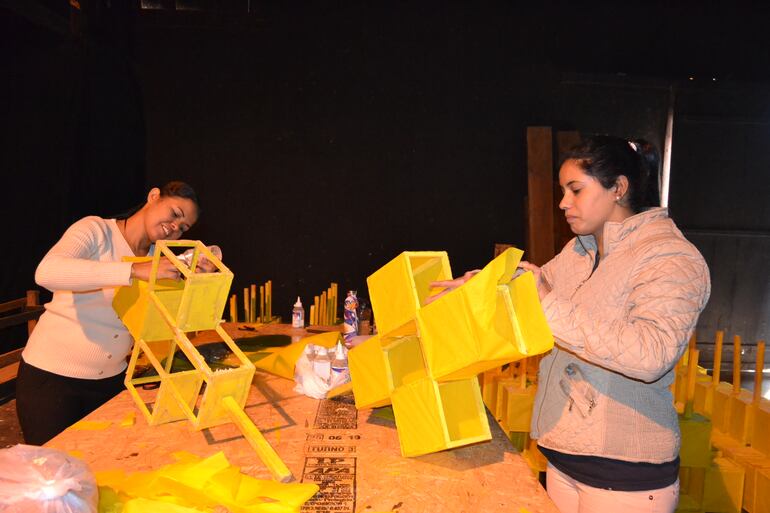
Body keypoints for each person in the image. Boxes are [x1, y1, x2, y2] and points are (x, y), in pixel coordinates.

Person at [433, 136, 710, 513]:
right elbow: (529, 296)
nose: (563, 202)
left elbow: (652, 354)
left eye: (576, 190)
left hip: (624, 477)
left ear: (619, 188)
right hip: (564, 458)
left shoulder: (669, 256)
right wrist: (482, 287)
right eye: (563, 191)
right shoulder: (580, 251)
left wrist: (545, 299)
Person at [16, 181, 206, 445]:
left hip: (111, 381)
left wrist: (194, 283)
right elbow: (47, 272)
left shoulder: (157, 258)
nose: (176, 227)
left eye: (184, 227)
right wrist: (132, 270)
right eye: (175, 214)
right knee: (53, 479)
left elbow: (154, 321)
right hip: (53, 381)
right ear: (153, 196)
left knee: (102, 472)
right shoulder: (96, 230)